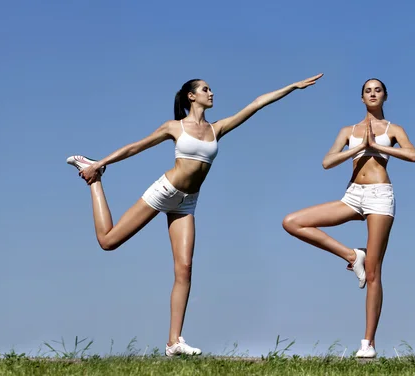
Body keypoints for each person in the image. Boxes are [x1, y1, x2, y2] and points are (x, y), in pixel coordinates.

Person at [66, 73, 323, 356]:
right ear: (192, 96)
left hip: (187, 203)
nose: (211, 93)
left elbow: (257, 103)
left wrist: (293, 86)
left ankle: (174, 341)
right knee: (108, 241)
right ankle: (95, 179)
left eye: (210, 89)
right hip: (164, 190)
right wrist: (101, 163)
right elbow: (136, 146)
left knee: (185, 268)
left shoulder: (218, 128)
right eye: (205, 89)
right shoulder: (175, 127)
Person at [282, 78, 415, 358]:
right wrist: (358, 148)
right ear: (361, 98)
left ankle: (367, 343)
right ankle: (352, 255)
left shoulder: (394, 129)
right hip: (352, 196)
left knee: (373, 272)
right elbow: (327, 161)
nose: (372, 94)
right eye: (367, 91)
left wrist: (378, 147)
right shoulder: (348, 130)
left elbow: (412, 154)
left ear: (385, 96)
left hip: (380, 196)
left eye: (377, 90)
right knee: (292, 222)